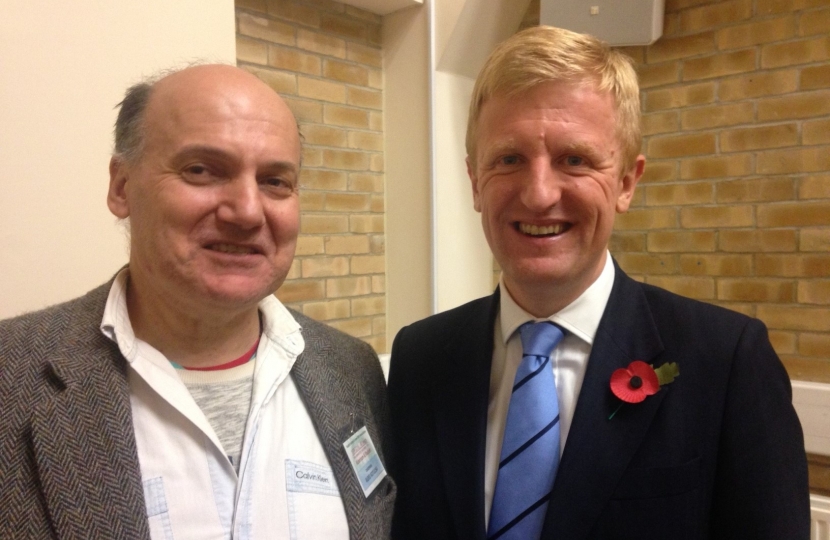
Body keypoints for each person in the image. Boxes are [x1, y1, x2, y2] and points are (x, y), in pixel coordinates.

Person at [387, 25, 809, 539]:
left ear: (627, 182)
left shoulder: (726, 362)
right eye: (509, 159)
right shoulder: (420, 359)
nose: (539, 194)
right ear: (475, 181)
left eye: (575, 160)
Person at [0, 64, 394, 539]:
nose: (247, 211)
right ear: (121, 186)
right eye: (202, 170)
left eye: (274, 181)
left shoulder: (351, 371)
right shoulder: (12, 376)